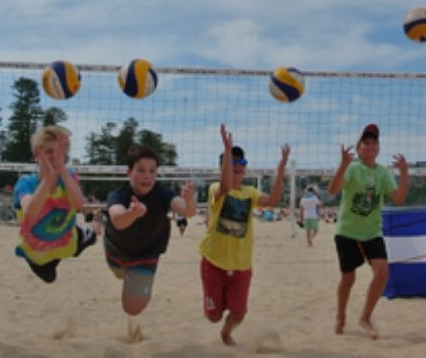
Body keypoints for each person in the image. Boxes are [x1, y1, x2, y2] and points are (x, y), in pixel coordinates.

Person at [199, 125, 290, 346]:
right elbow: (226, 185)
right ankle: (216, 315)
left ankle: (226, 333)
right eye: (232, 164)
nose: (238, 167)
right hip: (213, 262)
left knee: (239, 314)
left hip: (241, 266)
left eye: (241, 163)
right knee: (213, 316)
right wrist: (227, 149)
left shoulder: (250, 193)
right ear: (223, 168)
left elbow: (274, 200)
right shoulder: (215, 189)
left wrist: (281, 168)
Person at [104, 145, 197, 339]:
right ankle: (124, 273)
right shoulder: (119, 194)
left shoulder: (162, 193)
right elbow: (117, 220)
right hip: (116, 249)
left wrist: (189, 202)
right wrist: (132, 213)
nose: (147, 176)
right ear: (129, 172)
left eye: (152, 171)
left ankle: (134, 280)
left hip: (146, 253)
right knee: (119, 274)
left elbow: (186, 211)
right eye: (141, 170)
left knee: (132, 309)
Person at [329, 123, 408, 339]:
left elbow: (399, 199)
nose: (371, 145)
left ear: (378, 149)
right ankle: (340, 315)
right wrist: (343, 165)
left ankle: (365, 317)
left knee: (382, 272)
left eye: (375, 142)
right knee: (348, 279)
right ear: (359, 148)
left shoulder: (383, 172)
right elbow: (333, 189)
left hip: (372, 232)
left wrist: (404, 173)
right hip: (347, 231)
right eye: (367, 142)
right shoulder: (353, 168)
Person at [14, 126, 95, 285]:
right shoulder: (26, 183)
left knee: (90, 238)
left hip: (66, 241)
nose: (55, 156)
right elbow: (30, 213)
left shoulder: (68, 176)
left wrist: (62, 170)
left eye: (59, 152)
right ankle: (86, 228)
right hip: (38, 249)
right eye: (49, 151)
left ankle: (86, 229)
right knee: (49, 278)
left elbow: (78, 204)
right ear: (37, 154)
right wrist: (47, 179)